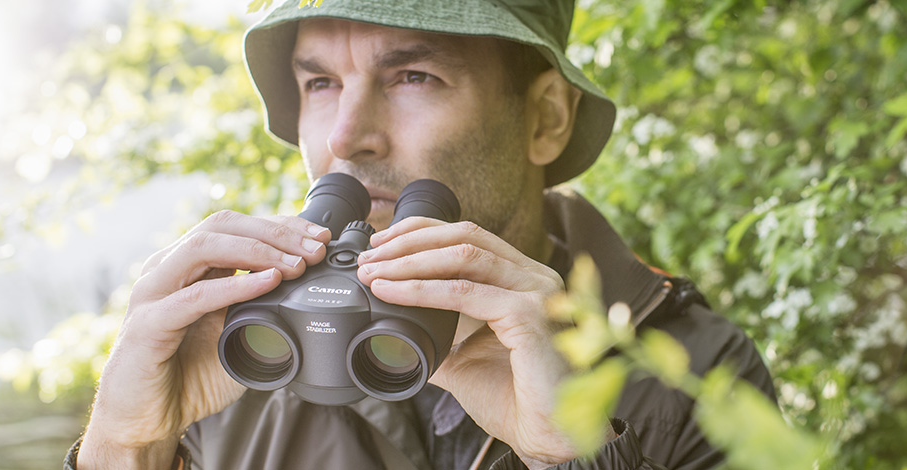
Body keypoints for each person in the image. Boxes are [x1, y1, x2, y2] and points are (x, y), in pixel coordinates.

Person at [67, 0, 776, 468]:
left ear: (546, 119)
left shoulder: (698, 374)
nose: (346, 137)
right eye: (320, 84)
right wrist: (129, 449)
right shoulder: (240, 348)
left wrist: (574, 456)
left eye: (412, 75)